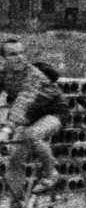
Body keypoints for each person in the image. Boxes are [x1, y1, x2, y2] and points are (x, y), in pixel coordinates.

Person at [0, 37, 68, 193]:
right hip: (29, 116)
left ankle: (51, 173)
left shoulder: (33, 75)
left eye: (21, 53)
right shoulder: (3, 75)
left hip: (54, 111)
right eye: (13, 54)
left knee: (33, 134)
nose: (19, 57)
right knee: (15, 160)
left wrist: (6, 130)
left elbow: (23, 101)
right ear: (4, 59)